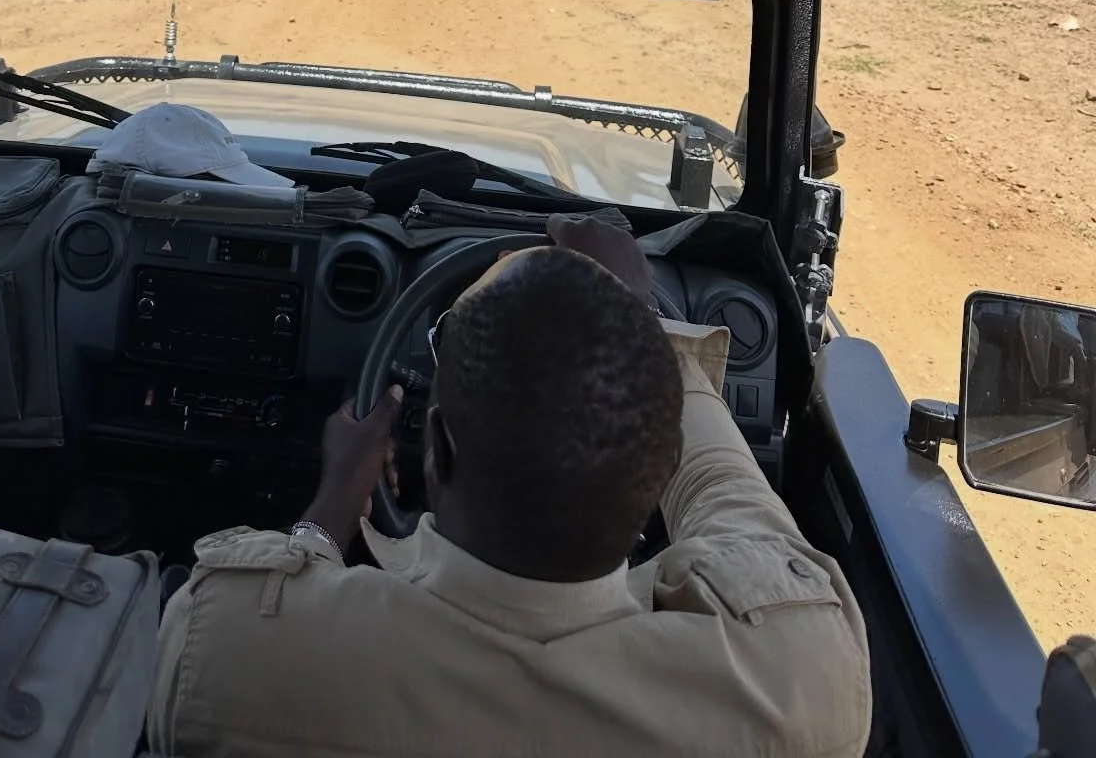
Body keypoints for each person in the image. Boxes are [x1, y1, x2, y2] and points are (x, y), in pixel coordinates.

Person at [147, 215, 871, 758]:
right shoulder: (802, 690)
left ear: (435, 449)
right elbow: (731, 502)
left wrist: (332, 508)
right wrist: (637, 319)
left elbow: (247, 617)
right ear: (661, 471)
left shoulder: (223, 651)